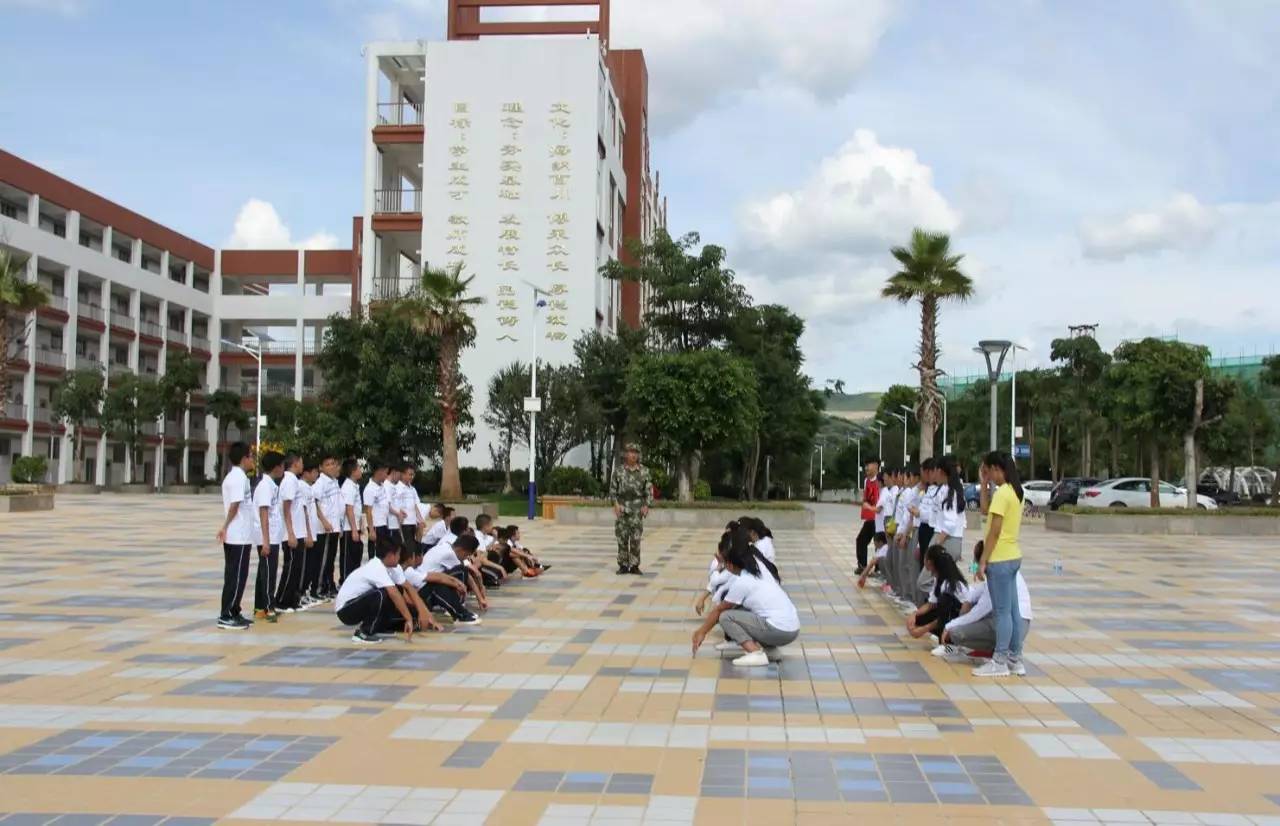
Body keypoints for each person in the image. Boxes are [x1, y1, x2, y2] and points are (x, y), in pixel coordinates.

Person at [691, 527, 797, 667]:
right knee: (744, 609)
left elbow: (719, 611)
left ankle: (755, 654)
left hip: (779, 630)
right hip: (792, 627)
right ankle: (771, 651)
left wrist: (701, 632)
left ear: (729, 564)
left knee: (726, 616)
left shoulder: (743, 582)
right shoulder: (758, 567)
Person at [935, 541, 1033, 665]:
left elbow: (977, 613)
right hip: (1021, 625)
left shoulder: (997, 576)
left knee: (957, 633)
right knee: (982, 611)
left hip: (1012, 626)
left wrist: (949, 626)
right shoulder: (1006, 570)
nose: (975, 564)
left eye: (977, 561)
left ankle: (999, 658)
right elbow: (981, 590)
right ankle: (1008, 654)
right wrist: (968, 600)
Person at [974, 450, 1027, 677]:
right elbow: (985, 510)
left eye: (990, 471)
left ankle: (1000, 660)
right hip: (1013, 556)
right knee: (1013, 612)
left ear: (999, 469)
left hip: (1000, 559)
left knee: (1002, 613)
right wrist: (984, 485)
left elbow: (994, 533)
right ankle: (1015, 659)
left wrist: (982, 561)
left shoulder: (1003, 494)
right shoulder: (1015, 492)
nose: (990, 475)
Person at [334, 537, 417, 644]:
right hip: (345, 610)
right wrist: (408, 619)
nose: (400, 557)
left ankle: (379, 627)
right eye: (398, 554)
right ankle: (363, 633)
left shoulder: (386, 567)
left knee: (396, 590)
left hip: (354, 605)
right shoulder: (376, 567)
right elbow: (393, 594)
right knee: (382, 594)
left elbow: (400, 590)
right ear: (391, 555)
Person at [215, 442, 257, 630]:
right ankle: (226, 614)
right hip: (237, 536)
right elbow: (234, 506)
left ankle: (235, 610)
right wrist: (224, 526)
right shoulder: (237, 478)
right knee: (235, 576)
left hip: (242, 535)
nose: (253, 460)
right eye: (251, 456)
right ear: (244, 458)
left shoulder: (240, 477)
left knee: (241, 575)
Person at [417, 534, 485, 624]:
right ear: (461, 550)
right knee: (462, 571)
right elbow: (467, 576)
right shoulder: (449, 554)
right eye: (466, 555)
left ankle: (456, 607)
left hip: (424, 587)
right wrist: (480, 598)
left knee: (454, 577)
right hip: (424, 591)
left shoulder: (445, 546)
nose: (465, 558)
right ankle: (459, 611)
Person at [906, 545, 969, 641]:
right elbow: (931, 604)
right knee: (920, 618)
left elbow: (944, 616)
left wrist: (923, 630)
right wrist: (914, 614)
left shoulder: (949, 585)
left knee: (942, 607)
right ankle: (942, 636)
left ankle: (948, 646)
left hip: (958, 619)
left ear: (929, 562)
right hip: (950, 616)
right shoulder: (939, 578)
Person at [252, 451, 286, 624]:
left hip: (272, 536)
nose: (284, 469)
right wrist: (265, 541)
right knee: (268, 574)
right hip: (268, 538)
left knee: (264, 572)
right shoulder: (265, 487)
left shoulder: (271, 485)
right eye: (282, 465)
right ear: (276, 467)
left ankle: (259, 607)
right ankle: (268, 607)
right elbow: (263, 513)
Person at [610, 443, 653, 575]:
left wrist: (646, 505)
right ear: (625, 454)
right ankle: (623, 565)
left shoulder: (644, 471)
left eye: (635, 452)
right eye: (630, 452)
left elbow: (649, 491)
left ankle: (634, 565)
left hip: (637, 510)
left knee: (635, 539)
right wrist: (615, 504)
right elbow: (612, 491)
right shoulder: (619, 471)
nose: (633, 454)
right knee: (622, 539)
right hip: (623, 509)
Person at [275, 454, 310, 613]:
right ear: (295, 463)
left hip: (298, 531)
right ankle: (281, 600)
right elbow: (286, 507)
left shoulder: (294, 481)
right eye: (301, 462)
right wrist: (290, 533)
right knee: (290, 568)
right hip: (292, 532)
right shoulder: (289, 481)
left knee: (297, 568)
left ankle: (291, 600)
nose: (303, 465)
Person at [310, 454, 344, 604]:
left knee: (330, 560)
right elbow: (315, 504)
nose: (332, 467)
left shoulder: (334, 482)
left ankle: (327, 586)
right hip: (324, 529)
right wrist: (324, 521)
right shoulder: (320, 483)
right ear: (321, 468)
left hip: (334, 527)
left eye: (333, 464)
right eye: (328, 464)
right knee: (322, 560)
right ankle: (317, 589)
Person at [338, 458, 364, 586]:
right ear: (353, 471)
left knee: (356, 556)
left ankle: (353, 582)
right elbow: (349, 509)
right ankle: (345, 582)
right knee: (348, 557)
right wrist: (354, 529)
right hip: (349, 529)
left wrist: (360, 526)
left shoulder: (354, 485)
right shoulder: (348, 486)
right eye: (359, 468)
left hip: (355, 527)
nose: (361, 470)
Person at [854, 457, 881, 575]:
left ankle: (879, 569)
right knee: (861, 540)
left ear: (876, 465)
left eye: (868, 465)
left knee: (879, 543)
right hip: (870, 518)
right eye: (865, 466)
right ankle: (862, 566)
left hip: (879, 518)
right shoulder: (866, 481)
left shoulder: (881, 480)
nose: (866, 468)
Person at [362, 460, 391, 558]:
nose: (387, 476)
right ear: (379, 472)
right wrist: (371, 530)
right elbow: (368, 511)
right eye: (386, 473)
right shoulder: (370, 489)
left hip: (383, 525)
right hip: (376, 526)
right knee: (375, 555)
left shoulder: (382, 486)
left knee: (383, 553)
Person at [397, 465, 420, 549]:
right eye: (410, 474)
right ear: (403, 474)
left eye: (412, 475)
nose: (411, 477)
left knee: (412, 545)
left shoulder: (412, 489)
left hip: (412, 522)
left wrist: (420, 520)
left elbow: (416, 505)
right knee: (407, 547)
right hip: (404, 523)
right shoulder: (398, 488)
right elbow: (395, 505)